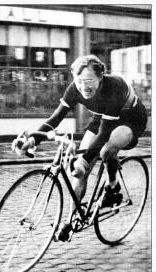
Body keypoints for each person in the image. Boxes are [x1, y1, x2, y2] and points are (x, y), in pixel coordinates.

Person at [12, 54, 147, 242]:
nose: (84, 86)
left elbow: (105, 134)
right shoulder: (75, 88)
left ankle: (112, 188)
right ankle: (70, 220)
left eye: (89, 80)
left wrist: (84, 159)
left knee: (106, 150)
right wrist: (34, 139)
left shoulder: (113, 87)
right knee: (79, 172)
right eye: (79, 80)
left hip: (130, 118)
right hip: (102, 118)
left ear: (100, 78)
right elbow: (55, 118)